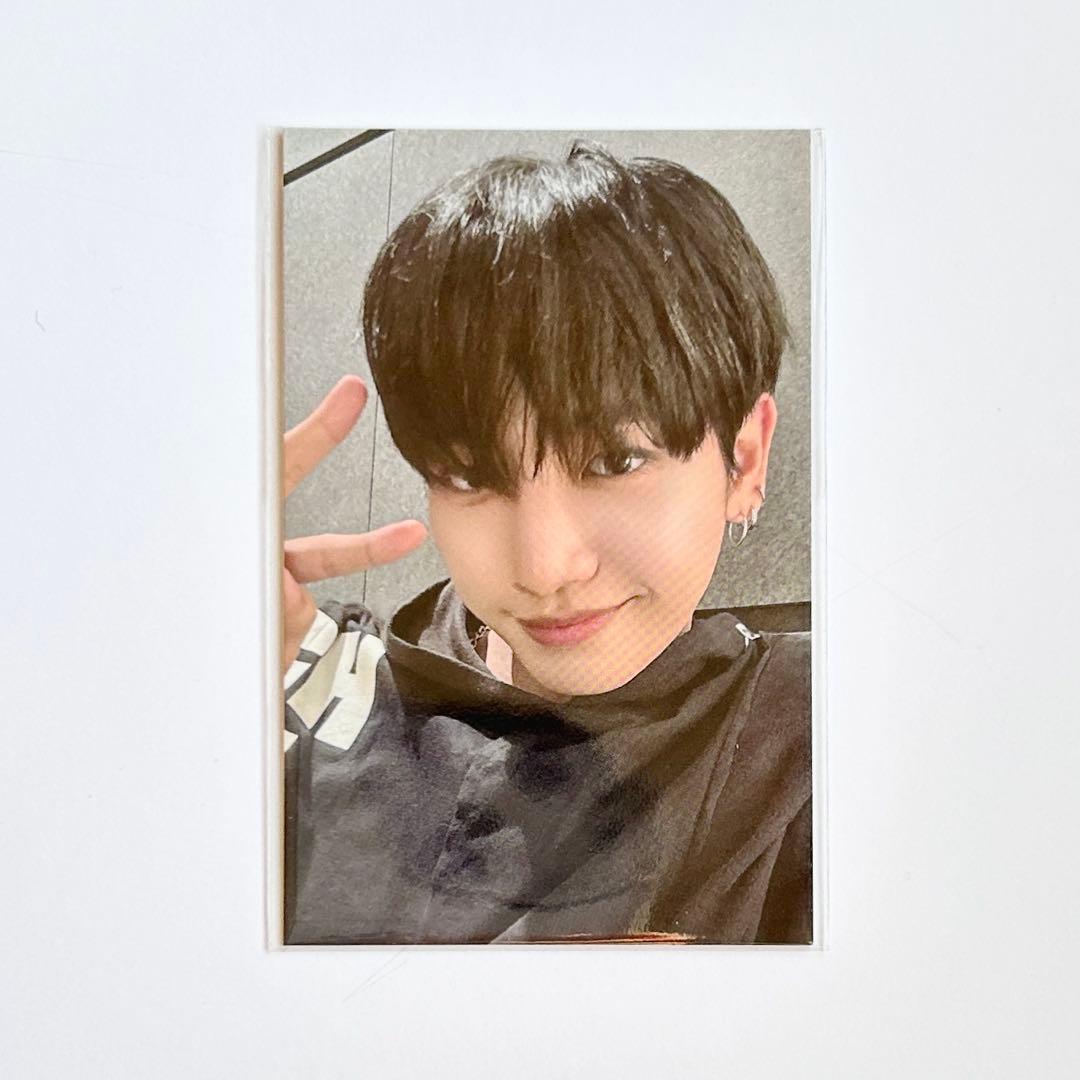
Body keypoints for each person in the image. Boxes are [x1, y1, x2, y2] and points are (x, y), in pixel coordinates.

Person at [281, 142, 811, 945]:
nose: (542, 568)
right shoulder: (314, 695)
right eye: (469, 476)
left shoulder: (816, 744)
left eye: (616, 461)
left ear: (744, 459)